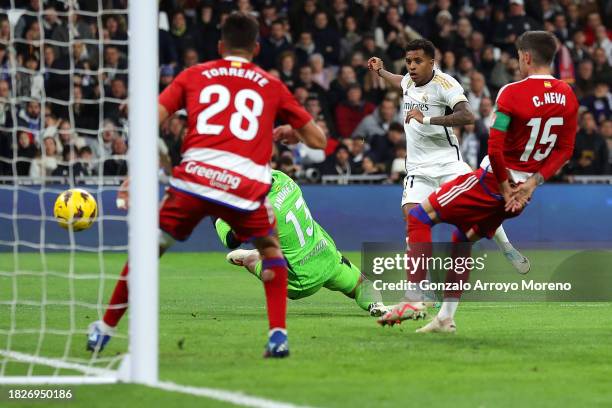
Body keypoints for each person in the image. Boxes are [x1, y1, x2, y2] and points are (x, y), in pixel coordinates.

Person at [87, 12, 326, 358]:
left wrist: (136, 172)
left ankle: (105, 330)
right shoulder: (270, 85)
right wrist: (294, 132)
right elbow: (318, 141)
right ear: (257, 48)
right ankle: (277, 336)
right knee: (272, 253)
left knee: (147, 251)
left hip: (195, 180)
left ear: (219, 46)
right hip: (245, 185)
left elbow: (146, 119)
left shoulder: (194, 75)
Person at [378, 31, 578, 332]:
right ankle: (445, 317)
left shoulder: (510, 93)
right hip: (521, 197)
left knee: (418, 217)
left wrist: (501, 185)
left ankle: (415, 296)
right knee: (461, 239)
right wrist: (532, 184)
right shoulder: (568, 95)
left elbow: (495, 149)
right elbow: (565, 149)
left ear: (525, 57)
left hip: (490, 184)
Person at [367, 39, 530, 284]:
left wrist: (426, 120)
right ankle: (424, 285)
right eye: (409, 61)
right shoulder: (408, 81)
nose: (412, 66)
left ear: (432, 63)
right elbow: (398, 81)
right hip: (418, 169)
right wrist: (380, 71)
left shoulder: (445, 83)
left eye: (418, 61)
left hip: (448, 164)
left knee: (480, 209)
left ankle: (506, 247)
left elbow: (468, 115)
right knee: (413, 219)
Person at [216, 170, 387, 317]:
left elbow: (231, 240)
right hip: (327, 258)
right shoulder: (283, 179)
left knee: (251, 260)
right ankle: (377, 306)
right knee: (361, 283)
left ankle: (252, 256)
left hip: (300, 280)